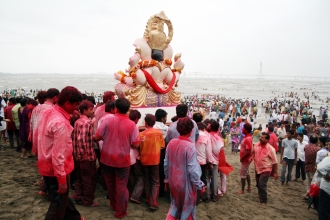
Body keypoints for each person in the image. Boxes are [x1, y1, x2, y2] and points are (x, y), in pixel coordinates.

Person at [36, 86, 83, 220]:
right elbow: (58, 155)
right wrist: (62, 179)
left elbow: (37, 134)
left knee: (61, 198)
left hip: (45, 162)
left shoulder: (48, 112)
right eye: (75, 105)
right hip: (57, 168)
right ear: (67, 103)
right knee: (57, 204)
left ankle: (75, 217)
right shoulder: (62, 123)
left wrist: (38, 154)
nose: (77, 108)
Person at [95, 97, 139, 219]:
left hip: (107, 158)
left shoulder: (107, 120)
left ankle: (114, 205)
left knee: (110, 184)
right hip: (122, 160)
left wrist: (107, 138)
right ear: (128, 109)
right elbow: (135, 144)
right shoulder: (132, 125)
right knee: (121, 186)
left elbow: (97, 136)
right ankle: (120, 211)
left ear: (116, 108)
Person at [164, 117, 206, 219]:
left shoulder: (171, 143)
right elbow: (193, 170)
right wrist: (200, 185)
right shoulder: (190, 146)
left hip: (173, 181)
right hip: (186, 184)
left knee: (175, 206)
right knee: (188, 209)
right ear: (191, 130)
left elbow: (166, 163)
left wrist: (167, 180)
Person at [72, 100, 99, 207]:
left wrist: (93, 137)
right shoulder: (87, 122)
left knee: (79, 177)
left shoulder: (77, 121)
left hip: (77, 155)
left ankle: (78, 195)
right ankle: (88, 200)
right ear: (84, 110)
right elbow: (81, 139)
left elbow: (78, 137)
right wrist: (85, 154)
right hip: (86, 157)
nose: (93, 111)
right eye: (91, 109)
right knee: (89, 179)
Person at [138, 114, 165, 210]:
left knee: (147, 180)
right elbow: (162, 146)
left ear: (145, 123)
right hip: (155, 160)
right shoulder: (158, 133)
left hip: (144, 160)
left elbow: (138, 147)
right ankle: (153, 201)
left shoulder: (141, 134)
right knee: (155, 181)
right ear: (154, 123)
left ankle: (148, 199)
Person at [252, 132, 278, 204]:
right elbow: (253, 152)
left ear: (267, 140)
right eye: (260, 137)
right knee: (258, 184)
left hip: (266, 168)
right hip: (257, 168)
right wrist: (252, 157)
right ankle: (260, 194)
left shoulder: (271, 149)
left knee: (262, 184)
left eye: (263, 137)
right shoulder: (256, 145)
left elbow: (275, 161)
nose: (260, 138)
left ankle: (263, 201)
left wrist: (275, 172)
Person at [195, 122, 212, 202]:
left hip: (194, 161)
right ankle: (205, 197)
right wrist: (210, 162)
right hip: (203, 161)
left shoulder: (193, 136)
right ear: (203, 128)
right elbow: (208, 152)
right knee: (204, 179)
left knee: (195, 179)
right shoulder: (206, 137)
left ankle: (197, 197)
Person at [153, 108, 168, 197]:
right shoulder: (167, 128)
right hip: (163, 150)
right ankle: (161, 190)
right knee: (162, 170)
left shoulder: (154, 127)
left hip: (154, 150)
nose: (166, 119)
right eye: (165, 117)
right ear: (162, 118)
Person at [237, 123, 253, 194]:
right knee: (247, 173)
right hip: (246, 159)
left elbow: (248, 150)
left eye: (243, 128)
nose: (242, 129)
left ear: (246, 130)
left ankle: (242, 190)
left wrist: (242, 158)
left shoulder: (247, 139)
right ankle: (249, 187)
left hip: (246, 159)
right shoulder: (248, 137)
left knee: (243, 174)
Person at [303, 134, 319, 200]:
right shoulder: (317, 149)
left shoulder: (306, 146)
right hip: (313, 167)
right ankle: (310, 196)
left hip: (307, 166)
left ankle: (308, 193)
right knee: (313, 183)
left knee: (308, 182)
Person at [316, 149, 330, 219]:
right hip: (326, 188)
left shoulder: (328, 158)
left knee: (324, 213)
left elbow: (319, 167)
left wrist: (325, 175)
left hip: (327, 189)